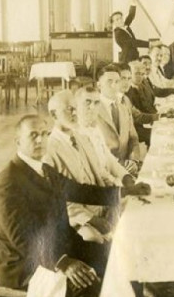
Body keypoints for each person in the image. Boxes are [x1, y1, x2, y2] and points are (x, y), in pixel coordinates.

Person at [0, 115, 106, 297]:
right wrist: (63, 263)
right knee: (81, 280)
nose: (41, 139)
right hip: (23, 263)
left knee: (109, 255)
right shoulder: (8, 183)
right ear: (17, 139)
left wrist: (122, 193)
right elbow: (23, 239)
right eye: (33, 135)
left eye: (45, 133)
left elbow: (79, 190)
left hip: (55, 248)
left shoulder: (44, 169)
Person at [47, 90, 151, 245]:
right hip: (77, 219)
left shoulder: (80, 138)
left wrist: (118, 196)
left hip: (101, 205)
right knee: (99, 239)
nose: (75, 113)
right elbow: (59, 199)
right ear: (54, 115)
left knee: (142, 212)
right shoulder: (49, 149)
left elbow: (100, 173)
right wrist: (93, 220)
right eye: (69, 109)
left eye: (76, 107)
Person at [93, 64, 142, 172]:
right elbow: (93, 150)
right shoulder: (92, 110)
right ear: (99, 85)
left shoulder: (124, 108)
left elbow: (133, 139)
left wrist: (134, 160)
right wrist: (120, 165)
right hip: (104, 171)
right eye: (109, 81)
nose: (114, 85)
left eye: (117, 81)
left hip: (127, 168)